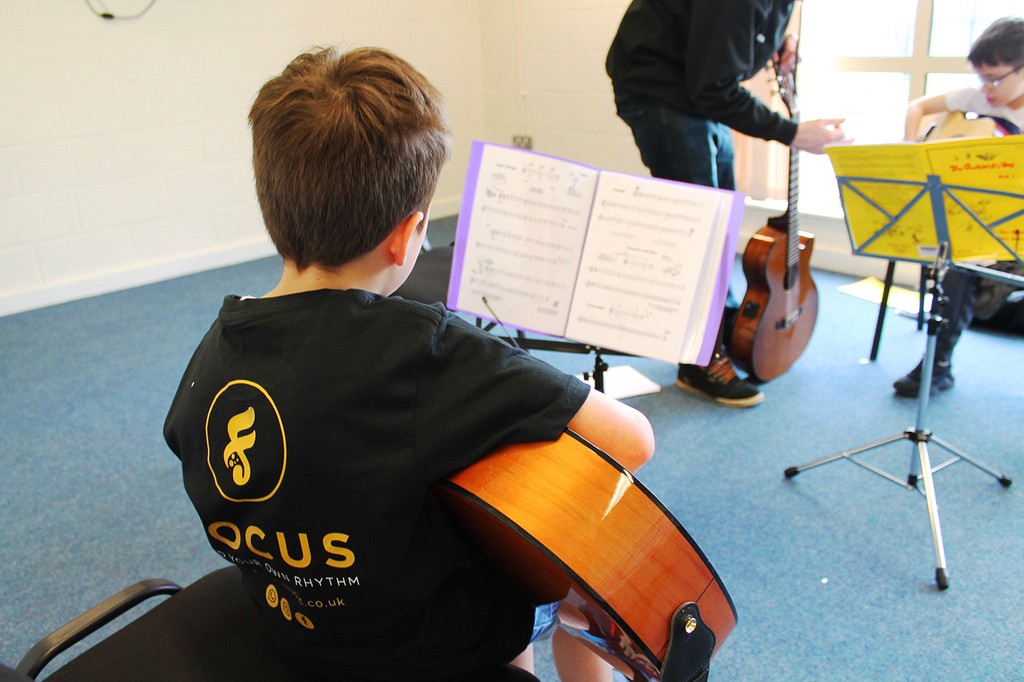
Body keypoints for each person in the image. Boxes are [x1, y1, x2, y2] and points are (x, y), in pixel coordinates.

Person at [163, 46, 655, 682]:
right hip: (423, 650)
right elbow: (632, 440)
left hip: (301, 631)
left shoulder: (217, 345)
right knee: (589, 588)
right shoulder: (425, 349)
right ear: (407, 234)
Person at [606, 0, 848, 408]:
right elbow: (714, 85)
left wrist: (771, 40)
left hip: (694, 88)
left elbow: (725, 42)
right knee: (697, 233)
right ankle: (698, 361)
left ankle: (725, 323)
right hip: (660, 91)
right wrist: (791, 132)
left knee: (721, 220)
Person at [894, 16, 1024, 398]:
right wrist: (909, 143)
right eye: (981, 78)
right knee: (959, 257)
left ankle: (940, 360)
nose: (987, 89)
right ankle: (939, 365)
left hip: (1015, 228)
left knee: (964, 262)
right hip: (973, 225)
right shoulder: (975, 98)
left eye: (995, 79)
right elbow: (918, 106)